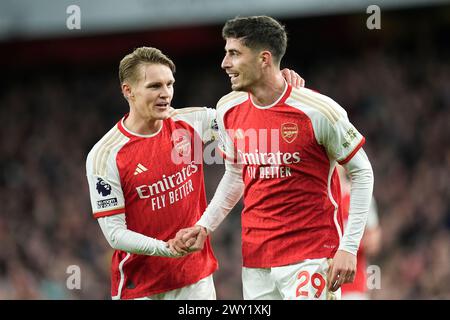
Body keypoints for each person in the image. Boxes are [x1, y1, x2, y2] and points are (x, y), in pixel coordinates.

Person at [172, 16, 374, 300]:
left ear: (264, 58)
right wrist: (205, 225)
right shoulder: (228, 108)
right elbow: (235, 174)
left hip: (311, 255)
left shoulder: (318, 110)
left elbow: (362, 172)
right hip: (256, 260)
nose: (224, 63)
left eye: (234, 54)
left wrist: (349, 248)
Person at [85, 46, 304, 300]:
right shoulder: (105, 154)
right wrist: (165, 249)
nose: (165, 94)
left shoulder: (193, 122)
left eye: (170, 84)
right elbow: (114, 234)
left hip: (195, 281)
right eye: (155, 86)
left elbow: (245, 112)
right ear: (128, 91)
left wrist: (275, 84)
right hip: (139, 288)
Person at [337, 166, 382, 300]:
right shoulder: (318, 198)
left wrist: (345, 244)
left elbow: (374, 242)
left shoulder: (358, 196)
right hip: (320, 286)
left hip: (352, 288)